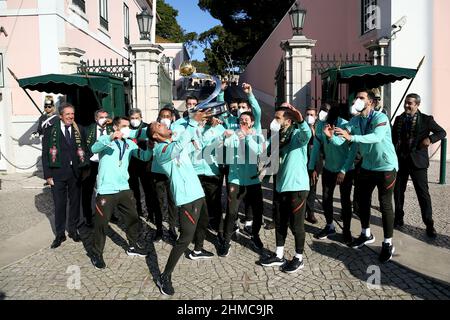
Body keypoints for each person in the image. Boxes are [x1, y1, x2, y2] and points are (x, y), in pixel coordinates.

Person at [148, 109, 213, 296]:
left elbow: (196, 147)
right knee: (185, 238)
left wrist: (199, 128)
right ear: (155, 134)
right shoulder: (160, 150)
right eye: (160, 125)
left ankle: (198, 250)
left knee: (204, 223)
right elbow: (177, 148)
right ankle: (165, 276)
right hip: (186, 197)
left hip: (197, 193)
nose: (165, 124)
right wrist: (192, 123)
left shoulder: (174, 142)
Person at [331, 89, 398, 263]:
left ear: (370, 102)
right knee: (362, 201)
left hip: (386, 166)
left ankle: (388, 243)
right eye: (356, 98)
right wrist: (331, 136)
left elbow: (376, 137)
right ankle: (365, 233)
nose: (357, 100)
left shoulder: (380, 118)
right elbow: (344, 142)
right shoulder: (355, 120)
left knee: (385, 204)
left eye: (361, 98)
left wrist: (351, 137)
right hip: (368, 166)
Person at [89, 116, 152, 269]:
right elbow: (93, 149)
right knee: (101, 224)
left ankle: (133, 246)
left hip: (124, 188)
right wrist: (111, 137)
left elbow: (144, 157)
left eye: (127, 126)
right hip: (106, 190)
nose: (126, 129)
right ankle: (96, 253)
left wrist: (150, 147)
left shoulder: (130, 143)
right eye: (124, 126)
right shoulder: (106, 139)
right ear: (116, 128)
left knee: (132, 218)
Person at [259, 103, 311, 273]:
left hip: (297, 186)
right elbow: (262, 150)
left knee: (296, 226)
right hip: (281, 185)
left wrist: (301, 120)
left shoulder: (296, 134)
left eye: (277, 118)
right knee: (280, 222)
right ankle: (279, 255)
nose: (274, 121)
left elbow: (307, 134)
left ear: (288, 121)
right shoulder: (276, 137)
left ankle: (298, 258)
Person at [392, 93, 446, 238]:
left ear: (417, 105)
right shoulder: (399, 119)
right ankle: (398, 218)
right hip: (401, 161)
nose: (407, 106)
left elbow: (442, 132)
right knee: (397, 191)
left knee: (423, 194)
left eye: (410, 103)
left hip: (418, 162)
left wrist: (430, 138)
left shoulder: (426, 120)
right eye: (406, 103)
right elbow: (393, 138)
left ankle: (429, 224)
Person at [218, 111, 266, 257]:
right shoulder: (233, 134)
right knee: (231, 212)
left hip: (252, 180)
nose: (243, 121)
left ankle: (255, 235)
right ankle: (226, 241)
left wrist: (247, 138)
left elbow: (258, 151)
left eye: (246, 119)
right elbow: (226, 145)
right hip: (235, 179)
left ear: (251, 122)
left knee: (258, 211)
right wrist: (225, 136)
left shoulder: (257, 135)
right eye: (241, 119)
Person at [42, 103, 89, 249]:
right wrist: (48, 175)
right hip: (57, 173)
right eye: (67, 114)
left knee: (75, 203)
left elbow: (85, 149)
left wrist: (84, 167)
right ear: (61, 115)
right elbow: (45, 153)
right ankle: (60, 234)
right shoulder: (50, 130)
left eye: (72, 114)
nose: (70, 116)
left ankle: (73, 231)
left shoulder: (79, 129)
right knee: (59, 204)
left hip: (75, 173)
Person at [309, 105, 357, 245]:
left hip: (345, 170)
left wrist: (343, 171)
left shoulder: (345, 125)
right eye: (321, 109)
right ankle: (329, 226)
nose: (322, 112)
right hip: (329, 168)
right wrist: (312, 167)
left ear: (334, 112)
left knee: (345, 201)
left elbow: (351, 150)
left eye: (326, 110)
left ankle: (346, 230)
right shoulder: (321, 125)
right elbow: (316, 148)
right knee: (326, 198)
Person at [150, 107, 178, 242]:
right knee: (158, 201)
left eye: (168, 115)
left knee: (172, 200)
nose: (165, 118)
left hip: (171, 171)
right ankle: (159, 229)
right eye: (163, 116)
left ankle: (172, 227)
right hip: (157, 171)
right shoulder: (155, 129)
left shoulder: (175, 129)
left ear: (172, 117)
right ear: (159, 117)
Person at [81, 109, 113, 228]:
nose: (104, 119)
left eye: (106, 117)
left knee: (109, 189)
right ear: (96, 119)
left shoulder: (111, 130)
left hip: (106, 163)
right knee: (87, 191)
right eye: (101, 117)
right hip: (91, 163)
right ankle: (88, 217)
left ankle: (111, 213)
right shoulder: (88, 129)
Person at [128, 108, 154, 219]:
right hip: (131, 164)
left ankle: (151, 213)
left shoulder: (147, 128)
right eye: (132, 118)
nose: (134, 120)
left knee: (148, 190)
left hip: (145, 164)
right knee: (134, 191)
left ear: (141, 117)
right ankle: (138, 211)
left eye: (136, 118)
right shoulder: (126, 129)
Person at [305, 105, 324, 224]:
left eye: (311, 115)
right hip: (302, 163)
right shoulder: (300, 127)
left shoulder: (320, 128)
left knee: (312, 188)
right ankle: (300, 212)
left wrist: (316, 168)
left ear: (316, 117)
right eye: (307, 114)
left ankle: (310, 212)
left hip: (316, 162)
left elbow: (321, 149)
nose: (309, 117)